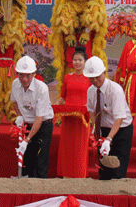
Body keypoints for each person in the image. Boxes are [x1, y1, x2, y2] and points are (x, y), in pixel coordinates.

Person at [84, 56, 133, 180]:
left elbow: (119, 119)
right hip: (103, 130)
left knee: (117, 169)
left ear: (104, 73)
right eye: (91, 78)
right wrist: (97, 129)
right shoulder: (91, 90)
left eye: (97, 77)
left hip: (121, 130)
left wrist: (109, 139)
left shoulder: (115, 90)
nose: (95, 80)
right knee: (104, 168)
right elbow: (91, 111)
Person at [11, 55, 54, 178]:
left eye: (28, 75)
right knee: (27, 159)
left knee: (41, 160)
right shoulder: (15, 84)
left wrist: (27, 139)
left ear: (34, 74)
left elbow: (39, 118)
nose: (24, 79)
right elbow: (14, 101)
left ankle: (41, 190)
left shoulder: (42, 89)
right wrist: (19, 115)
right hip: (27, 124)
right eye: (21, 75)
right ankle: (25, 188)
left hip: (43, 125)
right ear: (17, 73)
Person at [56, 46, 91, 178]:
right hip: (68, 117)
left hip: (82, 118)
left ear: (85, 62)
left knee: (80, 146)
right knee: (67, 146)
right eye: (75, 60)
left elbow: (92, 97)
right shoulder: (67, 77)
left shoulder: (89, 78)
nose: (77, 62)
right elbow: (62, 97)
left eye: (80, 60)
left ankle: (79, 173)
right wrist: (52, 109)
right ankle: (66, 173)